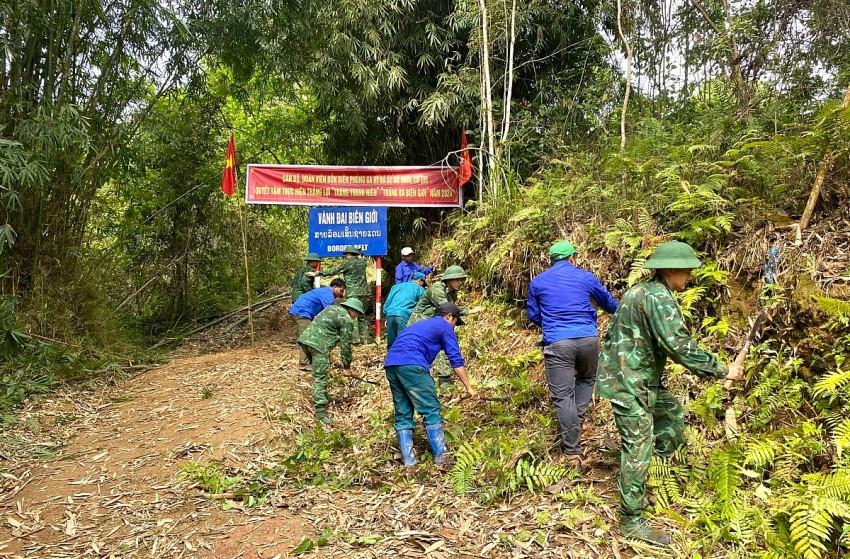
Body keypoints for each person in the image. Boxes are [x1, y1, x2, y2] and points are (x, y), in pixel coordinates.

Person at [596, 241, 744, 545]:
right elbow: (679, 347)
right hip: (629, 381)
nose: (690, 275)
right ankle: (632, 520)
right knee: (637, 447)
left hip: (637, 376)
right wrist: (722, 370)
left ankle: (653, 472)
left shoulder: (645, 291)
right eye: (687, 270)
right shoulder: (657, 298)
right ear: (670, 269)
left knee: (671, 413)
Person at [526, 241, 619, 465]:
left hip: (558, 343)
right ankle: (574, 424)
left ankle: (572, 450)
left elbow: (533, 315)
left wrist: (550, 324)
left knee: (563, 396)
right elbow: (610, 304)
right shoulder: (586, 277)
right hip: (588, 339)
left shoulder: (537, 282)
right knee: (588, 378)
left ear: (551, 261)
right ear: (573, 258)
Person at [384, 302, 478, 466]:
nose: (454, 327)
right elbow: (455, 359)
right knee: (431, 409)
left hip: (392, 364)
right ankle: (442, 459)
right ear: (449, 317)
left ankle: (409, 462)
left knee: (403, 412)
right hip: (412, 364)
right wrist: (469, 387)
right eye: (455, 322)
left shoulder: (422, 325)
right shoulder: (444, 326)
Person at [407, 265, 482, 388]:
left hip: (433, 323)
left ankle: (443, 379)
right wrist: (470, 311)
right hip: (419, 323)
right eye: (457, 279)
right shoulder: (437, 289)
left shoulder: (452, 293)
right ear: (449, 279)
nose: (461, 282)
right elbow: (447, 309)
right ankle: (430, 381)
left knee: (441, 346)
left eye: (462, 279)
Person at [298, 297, 365, 425]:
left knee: (320, 372)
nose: (356, 317)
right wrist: (347, 367)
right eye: (357, 313)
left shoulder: (331, 308)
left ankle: (323, 396)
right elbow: (346, 346)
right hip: (319, 346)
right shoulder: (346, 319)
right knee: (320, 377)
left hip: (305, 341)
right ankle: (321, 412)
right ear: (352, 310)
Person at [289, 279, 347, 371]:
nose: (341, 295)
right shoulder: (328, 294)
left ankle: (311, 361)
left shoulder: (325, 292)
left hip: (305, 312)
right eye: (341, 291)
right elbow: (330, 311)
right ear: (335, 287)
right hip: (301, 312)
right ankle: (304, 363)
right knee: (307, 337)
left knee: (309, 335)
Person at [321, 246, 371, 343]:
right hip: (364, 292)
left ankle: (355, 340)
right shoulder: (362, 263)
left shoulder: (347, 263)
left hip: (353, 293)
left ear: (348, 254)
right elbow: (363, 260)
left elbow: (333, 271)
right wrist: (359, 255)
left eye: (346, 255)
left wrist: (320, 273)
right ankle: (364, 339)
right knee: (362, 315)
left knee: (353, 315)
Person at [383, 272, 427, 349]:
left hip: (390, 314)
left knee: (392, 343)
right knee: (404, 342)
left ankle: (391, 359)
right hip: (404, 315)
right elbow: (424, 304)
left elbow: (387, 303)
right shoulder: (419, 289)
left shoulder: (396, 287)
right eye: (423, 283)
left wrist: (386, 315)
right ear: (419, 280)